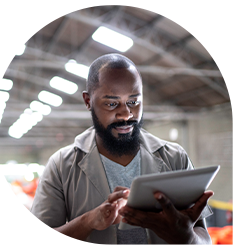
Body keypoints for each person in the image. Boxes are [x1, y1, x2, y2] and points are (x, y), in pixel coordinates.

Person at [26, 53, 213, 245]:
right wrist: (88, 221)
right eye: (111, 103)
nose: (126, 114)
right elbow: (35, 241)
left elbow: (203, 237)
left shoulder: (175, 158)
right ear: (88, 101)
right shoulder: (61, 165)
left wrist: (187, 238)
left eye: (134, 101)